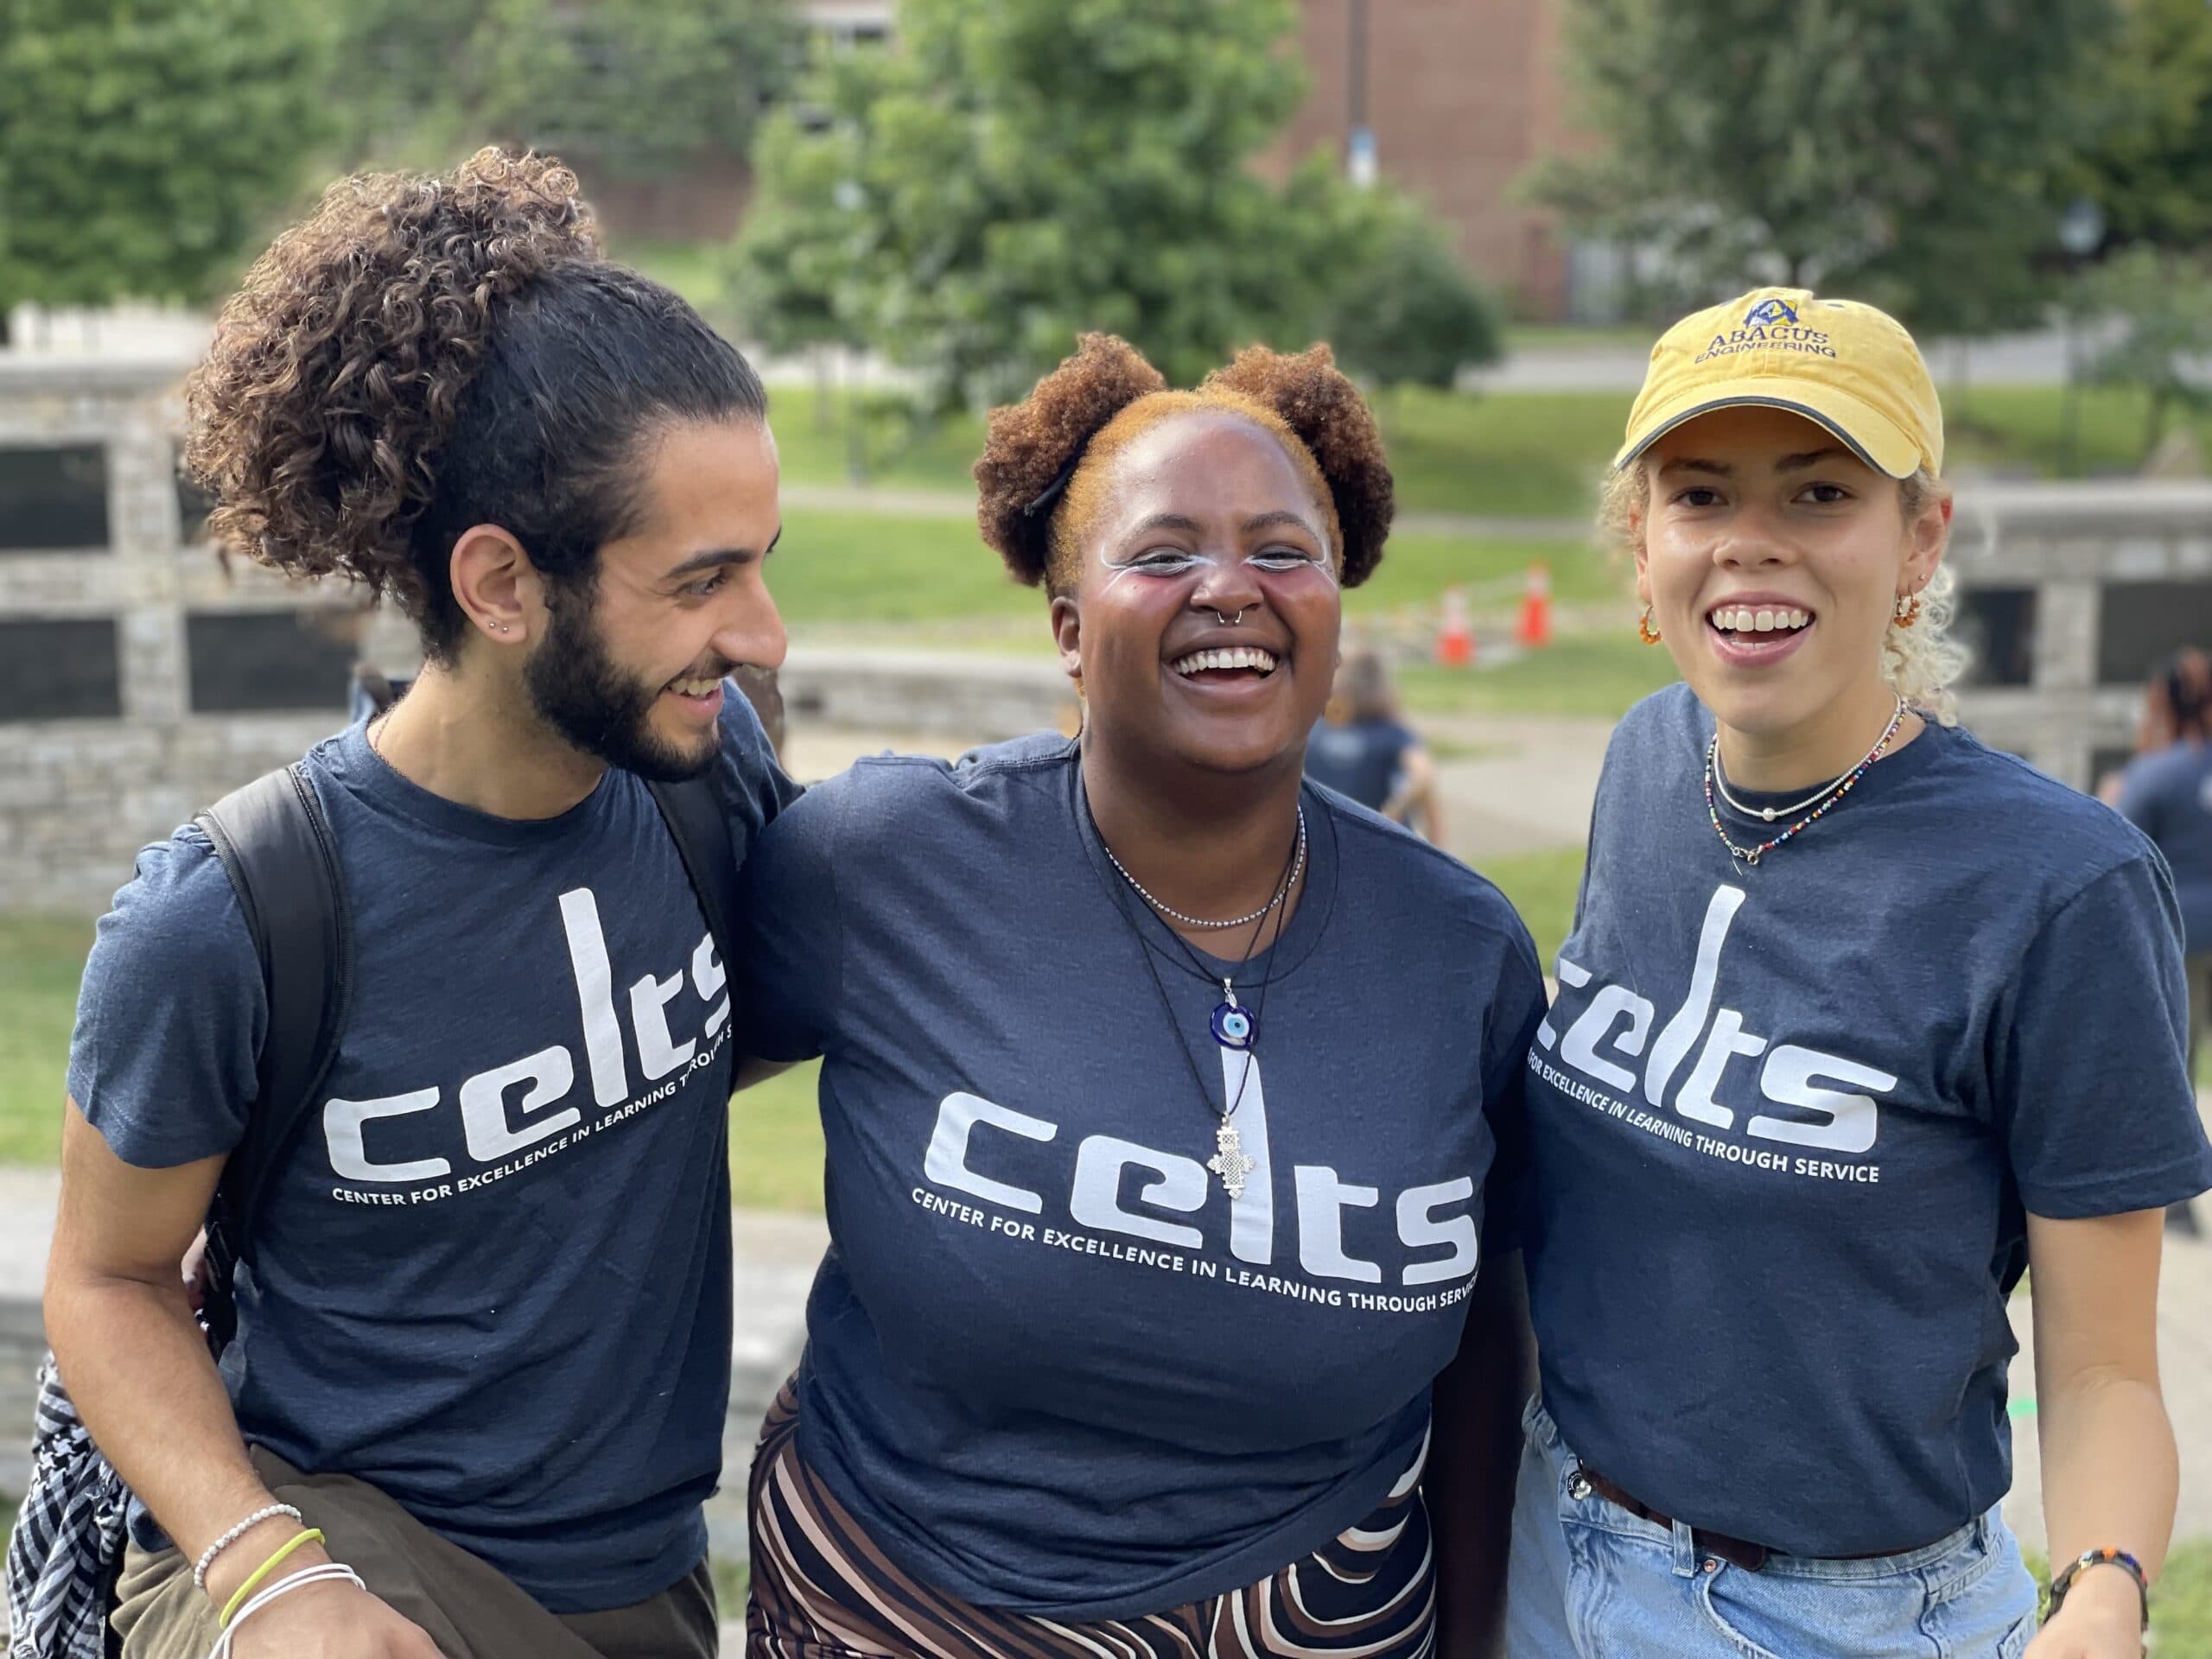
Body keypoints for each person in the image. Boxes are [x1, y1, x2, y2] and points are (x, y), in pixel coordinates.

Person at [42, 149, 794, 1659]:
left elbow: (734, 1027)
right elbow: (108, 1278)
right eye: (704, 579)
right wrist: (266, 1573)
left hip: (640, 1581)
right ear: (503, 585)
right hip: (335, 1564)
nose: (762, 634)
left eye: (766, 565)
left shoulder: (705, 784)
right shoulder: (228, 918)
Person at [733, 334, 1548, 1657]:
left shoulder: (1459, 949)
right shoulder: (883, 863)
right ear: (1067, 627)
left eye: (1283, 552)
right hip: (901, 1602)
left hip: (1326, 1615)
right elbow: (653, 1087)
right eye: (1163, 554)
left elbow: (1483, 1336)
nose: (1230, 588)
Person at [1497, 287, 2212, 1658]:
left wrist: (2106, 1592)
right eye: (1700, 496)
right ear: (1642, 541)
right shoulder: (1646, 761)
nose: (1750, 545)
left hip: (1844, 1615)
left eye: (1819, 494)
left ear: (1918, 542)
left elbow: (2111, 1363)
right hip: (1550, 1546)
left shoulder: (2062, 886)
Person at [2112, 649, 2212, 1235]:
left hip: (2181, 935)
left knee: (2175, 1061)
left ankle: (2176, 1206)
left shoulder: (2153, 774)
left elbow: (2119, 855)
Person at [1304, 648, 1446, 842]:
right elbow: (1423, 775)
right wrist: (1396, 808)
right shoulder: (1391, 734)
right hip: (1381, 842)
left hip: (1327, 840)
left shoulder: (1315, 732)